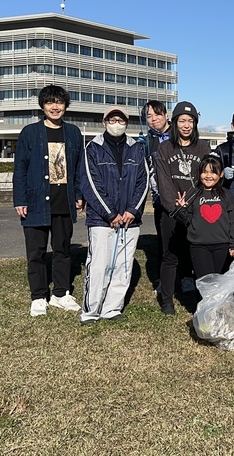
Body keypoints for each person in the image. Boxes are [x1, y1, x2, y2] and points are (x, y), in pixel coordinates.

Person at [13, 84, 84, 317]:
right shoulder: (30, 132)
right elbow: (20, 168)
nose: (55, 107)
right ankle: (38, 296)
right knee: (36, 252)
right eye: (50, 102)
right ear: (42, 105)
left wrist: (79, 194)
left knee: (63, 250)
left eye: (60, 103)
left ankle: (61, 293)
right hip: (35, 202)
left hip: (64, 201)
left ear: (66, 106)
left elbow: (78, 168)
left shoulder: (73, 133)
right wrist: (20, 199)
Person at [79, 108, 149, 324]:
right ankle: (91, 310)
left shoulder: (136, 148)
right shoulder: (93, 148)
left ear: (127, 123)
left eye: (121, 120)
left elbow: (143, 182)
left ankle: (112, 307)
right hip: (102, 220)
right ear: (104, 122)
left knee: (123, 265)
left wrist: (132, 211)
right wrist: (109, 213)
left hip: (130, 220)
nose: (116, 123)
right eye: (112, 119)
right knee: (99, 264)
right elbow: (90, 183)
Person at [155, 101, 212, 315]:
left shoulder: (203, 147)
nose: (186, 125)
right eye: (182, 121)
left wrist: (191, 202)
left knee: (197, 254)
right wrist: (174, 206)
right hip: (171, 210)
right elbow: (164, 180)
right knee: (170, 256)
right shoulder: (165, 148)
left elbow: (207, 178)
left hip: (197, 209)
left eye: (190, 121)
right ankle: (167, 299)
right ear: (175, 122)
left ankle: (200, 298)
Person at [172, 156, 234, 303]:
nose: (208, 176)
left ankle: (218, 312)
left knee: (219, 280)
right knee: (204, 281)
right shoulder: (193, 193)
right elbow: (186, 220)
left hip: (222, 245)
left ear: (221, 174)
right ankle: (204, 315)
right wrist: (181, 209)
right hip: (199, 246)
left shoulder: (226, 194)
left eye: (213, 172)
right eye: (204, 172)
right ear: (199, 173)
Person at [141, 100, 171, 290]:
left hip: (184, 197)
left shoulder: (177, 135)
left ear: (166, 115)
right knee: (163, 239)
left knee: (185, 238)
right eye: (149, 116)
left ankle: (186, 276)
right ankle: (164, 279)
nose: (153, 119)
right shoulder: (147, 141)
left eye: (157, 114)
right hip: (160, 198)